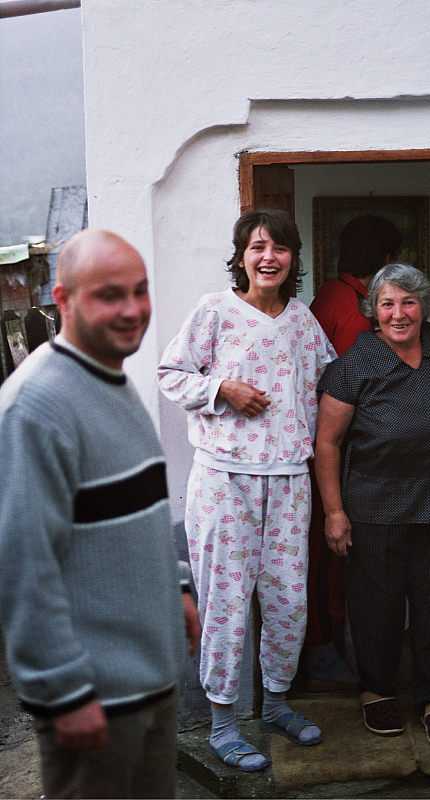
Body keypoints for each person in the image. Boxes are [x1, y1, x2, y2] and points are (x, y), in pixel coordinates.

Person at [0, 229, 200, 799]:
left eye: (140, 291)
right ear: (62, 300)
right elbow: (22, 565)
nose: (133, 309)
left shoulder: (112, 379)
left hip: (151, 682)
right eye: (110, 294)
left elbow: (139, 507)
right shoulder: (35, 408)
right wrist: (62, 692)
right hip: (95, 702)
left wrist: (178, 589)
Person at [158, 208, 335, 771]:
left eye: (280, 248)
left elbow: (333, 384)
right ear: (240, 256)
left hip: (288, 480)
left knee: (288, 599)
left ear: (292, 259)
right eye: (257, 247)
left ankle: (275, 703)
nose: (268, 257)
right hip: (224, 481)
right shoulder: (215, 311)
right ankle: (223, 723)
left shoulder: (304, 321)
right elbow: (170, 374)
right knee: (226, 602)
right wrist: (222, 388)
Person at [314, 264, 430, 751]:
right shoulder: (355, 363)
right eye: (387, 304)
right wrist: (335, 513)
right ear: (373, 311)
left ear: (425, 305)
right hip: (374, 508)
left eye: (408, 302)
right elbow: (328, 442)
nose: (398, 314)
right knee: (376, 606)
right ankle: (376, 691)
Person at [306, 214, 403, 691]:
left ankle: (332, 650)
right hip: (336, 450)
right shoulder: (351, 307)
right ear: (386, 259)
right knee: (332, 559)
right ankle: (324, 656)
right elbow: (353, 388)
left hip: (330, 446)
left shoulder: (330, 293)